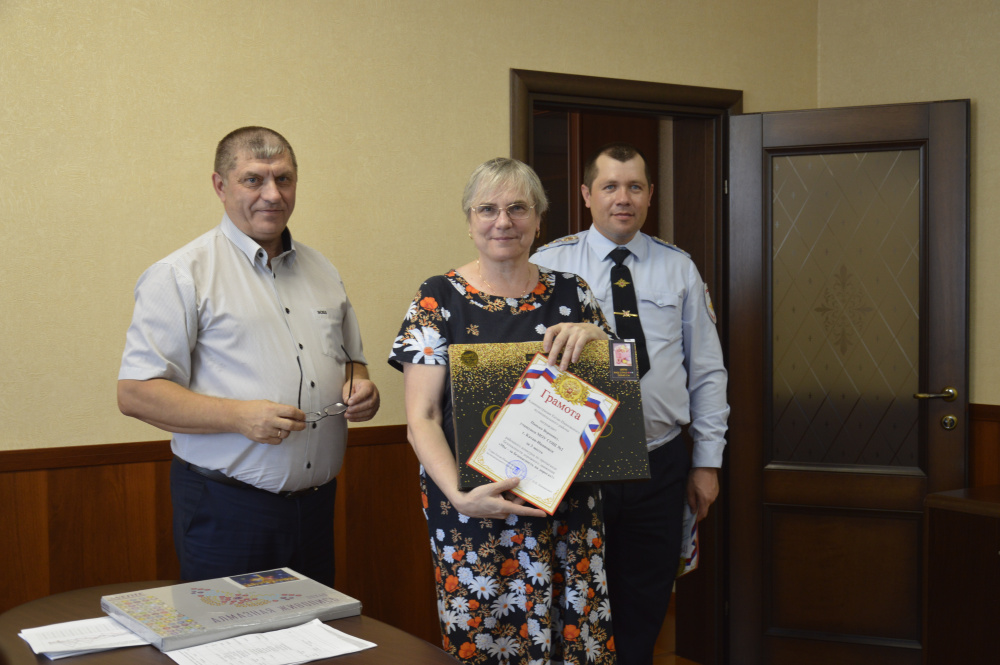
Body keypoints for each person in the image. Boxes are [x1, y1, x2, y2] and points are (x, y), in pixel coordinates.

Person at [118, 126, 379, 586]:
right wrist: (238, 416)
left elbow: (351, 359)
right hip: (227, 510)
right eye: (253, 180)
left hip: (317, 508)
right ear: (220, 186)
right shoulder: (180, 274)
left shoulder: (323, 270)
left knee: (317, 632)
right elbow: (136, 393)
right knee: (226, 633)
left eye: (284, 179)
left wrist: (361, 386)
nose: (272, 194)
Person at [389, 157, 617, 664]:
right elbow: (421, 419)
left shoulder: (574, 293)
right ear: (469, 220)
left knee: (573, 640)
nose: (503, 221)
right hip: (474, 510)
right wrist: (461, 497)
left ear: (539, 219)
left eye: (518, 208)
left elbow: (618, 387)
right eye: (487, 209)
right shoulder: (437, 298)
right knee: (488, 641)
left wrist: (598, 337)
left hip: (568, 510)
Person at [531, 143, 729, 665]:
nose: (624, 198)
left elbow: (707, 371)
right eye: (611, 187)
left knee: (644, 603)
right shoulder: (547, 265)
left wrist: (707, 462)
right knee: (573, 602)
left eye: (635, 187)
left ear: (650, 195)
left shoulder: (678, 268)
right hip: (578, 464)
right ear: (586, 195)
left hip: (660, 463)